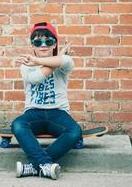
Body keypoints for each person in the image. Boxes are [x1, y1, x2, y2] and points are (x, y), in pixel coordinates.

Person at [11, 22, 82, 180]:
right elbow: (35, 78)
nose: (43, 45)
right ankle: (44, 165)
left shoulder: (61, 61)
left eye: (48, 41)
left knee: (75, 132)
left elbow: (68, 62)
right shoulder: (25, 65)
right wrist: (54, 59)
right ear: (32, 45)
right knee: (17, 124)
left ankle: (34, 166)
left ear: (54, 44)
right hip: (33, 113)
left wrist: (38, 61)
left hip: (58, 113)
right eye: (37, 42)